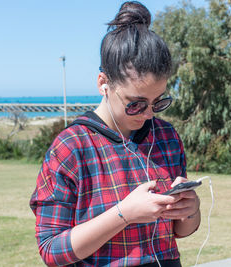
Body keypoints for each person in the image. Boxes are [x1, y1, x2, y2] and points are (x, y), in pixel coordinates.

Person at [30, 1, 201, 266]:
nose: (149, 115)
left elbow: (181, 231)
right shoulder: (71, 147)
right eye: (136, 104)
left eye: (158, 102)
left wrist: (190, 211)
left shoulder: (166, 137)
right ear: (103, 84)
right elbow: (51, 250)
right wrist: (125, 213)